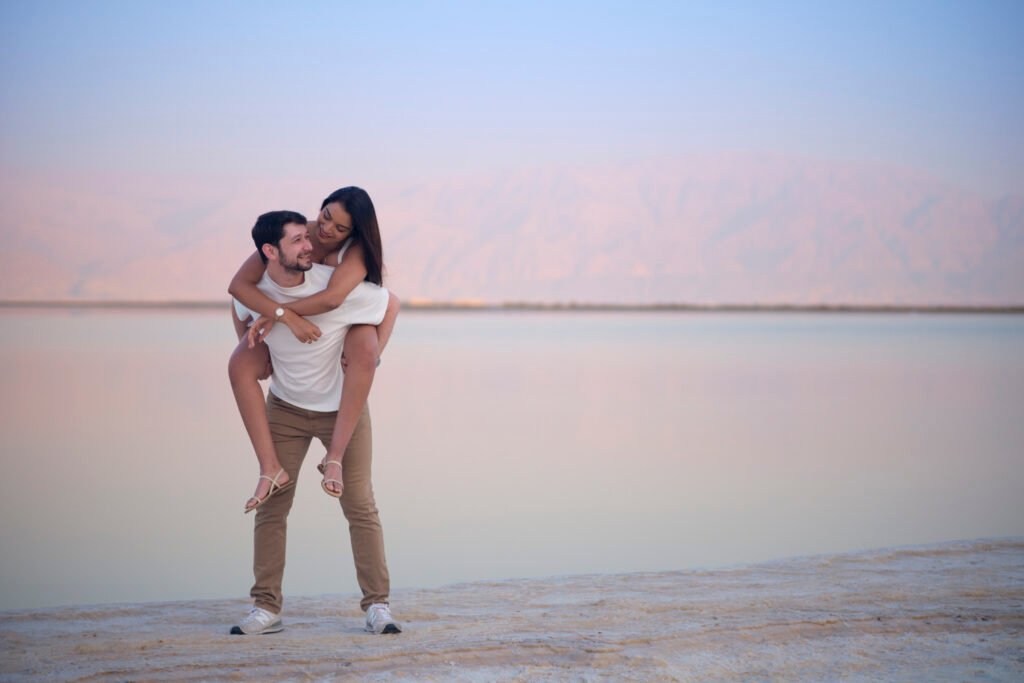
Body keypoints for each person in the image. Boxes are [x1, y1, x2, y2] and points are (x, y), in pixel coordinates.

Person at [229, 210, 401, 635]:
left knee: (360, 506)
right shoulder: (253, 295)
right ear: (271, 252)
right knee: (272, 508)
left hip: (341, 409)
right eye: (299, 240)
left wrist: (371, 353)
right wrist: (261, 346)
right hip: (285, 409)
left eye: (310, 238)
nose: (312, 245)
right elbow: (242, 322)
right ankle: (266, 607)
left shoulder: (336, 288)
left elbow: (390, 303)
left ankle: (377, 605)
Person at [228, 187, 395, 512]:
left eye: (340, 228)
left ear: (354, 233)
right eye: (326, 215)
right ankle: (269, 469)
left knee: (364, 349)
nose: (327, 229)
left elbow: (341, 299)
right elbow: (237, 290)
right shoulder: (296, 234)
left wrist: (377, 354)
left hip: (346, 320)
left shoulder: (355, 251)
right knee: (239, 364)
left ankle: (335, 457)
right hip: (291, 355)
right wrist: (279, 319)